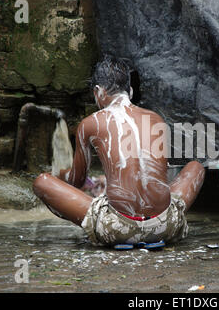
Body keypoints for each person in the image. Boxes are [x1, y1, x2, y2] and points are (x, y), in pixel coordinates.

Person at [33, 55, 205, 246]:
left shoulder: (91, 123)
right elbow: (148, 175)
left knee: (42, 182)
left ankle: (124, 232)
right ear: (130, 91)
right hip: (165, 226)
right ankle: (151, 231)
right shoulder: (156, 118)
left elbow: (77, 182)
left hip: (117, 229)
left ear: (99, 91)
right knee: (196, 167)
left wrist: (60, 174)